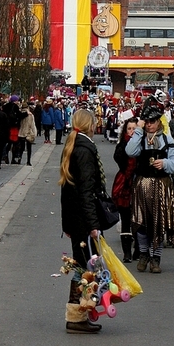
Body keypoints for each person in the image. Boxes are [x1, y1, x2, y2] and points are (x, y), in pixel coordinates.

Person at [59, 108, 104, 334]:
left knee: (81, 266)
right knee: (86, 269)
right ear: (90, 124)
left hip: (74, 218)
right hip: (84, 220)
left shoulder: (72, 146)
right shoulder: (85, 149)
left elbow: (67, 191)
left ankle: (78, 314)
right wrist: (94, 225)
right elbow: (87, 191)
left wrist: (66, 223)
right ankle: (78, 316)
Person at [125, 101, 174, 274]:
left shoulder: (166, 139)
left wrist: (164, 163)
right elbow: (130, 151)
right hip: (142, 184)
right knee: (141, 222)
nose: (149, 124)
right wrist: (139, 130)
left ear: (159, 122)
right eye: (146, 121)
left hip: (161, 185)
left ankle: (156, 258)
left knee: (158, 223)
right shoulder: (140, 138)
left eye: (152, 121)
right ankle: (143, 254)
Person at [111, 116, 139, 263]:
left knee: (139, 218)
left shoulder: (143, 144)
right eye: (129, 129)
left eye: (134, 128)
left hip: (138, 183)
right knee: (126, 218)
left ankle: (139, 249)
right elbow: (118, 158)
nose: (132, 131)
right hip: (124, 184)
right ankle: (127, 252)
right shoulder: (122, 145)